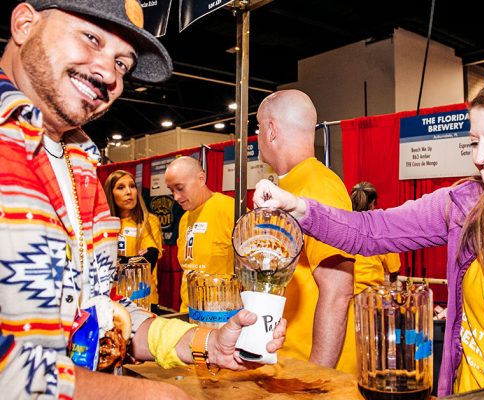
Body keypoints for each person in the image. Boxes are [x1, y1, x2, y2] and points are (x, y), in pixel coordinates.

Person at [0, 1, 285, 399]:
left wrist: (205, 342)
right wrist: (140, 395)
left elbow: (108, 316)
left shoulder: (81, 166)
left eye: (122, 63)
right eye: (91, 38)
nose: (107, 74)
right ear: (25, 23)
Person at [253, 76, 484, 396]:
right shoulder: (464, 206)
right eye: (474, 142)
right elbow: (370, 231)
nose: (479, 157)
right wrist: (299, 208)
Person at [256, 89, 358, 374]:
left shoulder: (318, 187)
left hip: (312, 371)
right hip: (287, 362)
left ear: (271, 130)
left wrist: (316, 377)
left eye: (258, 127)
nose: (257, 136)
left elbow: (338, 290)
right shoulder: (286, 187)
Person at [164, 156, 236, 312]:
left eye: (180, 188)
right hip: (189, 313)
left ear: (201, 178)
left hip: (223, 317)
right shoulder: (184, 220)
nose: (176, 197)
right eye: (171, 190)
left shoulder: (230, 210)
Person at [103, 170, 163, 312]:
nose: (129, 192)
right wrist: (134, 260)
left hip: (144, 300)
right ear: (110, 193)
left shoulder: (148, 221)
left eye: (132, 186)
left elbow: (149, 259)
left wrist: (119, 262)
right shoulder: (103, 225)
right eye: (121, 187)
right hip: (112, 302)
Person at [350, 181, 401, 291]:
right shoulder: (382, 228)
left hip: (345, 293)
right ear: (373, 203)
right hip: (370, 296)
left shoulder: (343, 224)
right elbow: (394, 269)